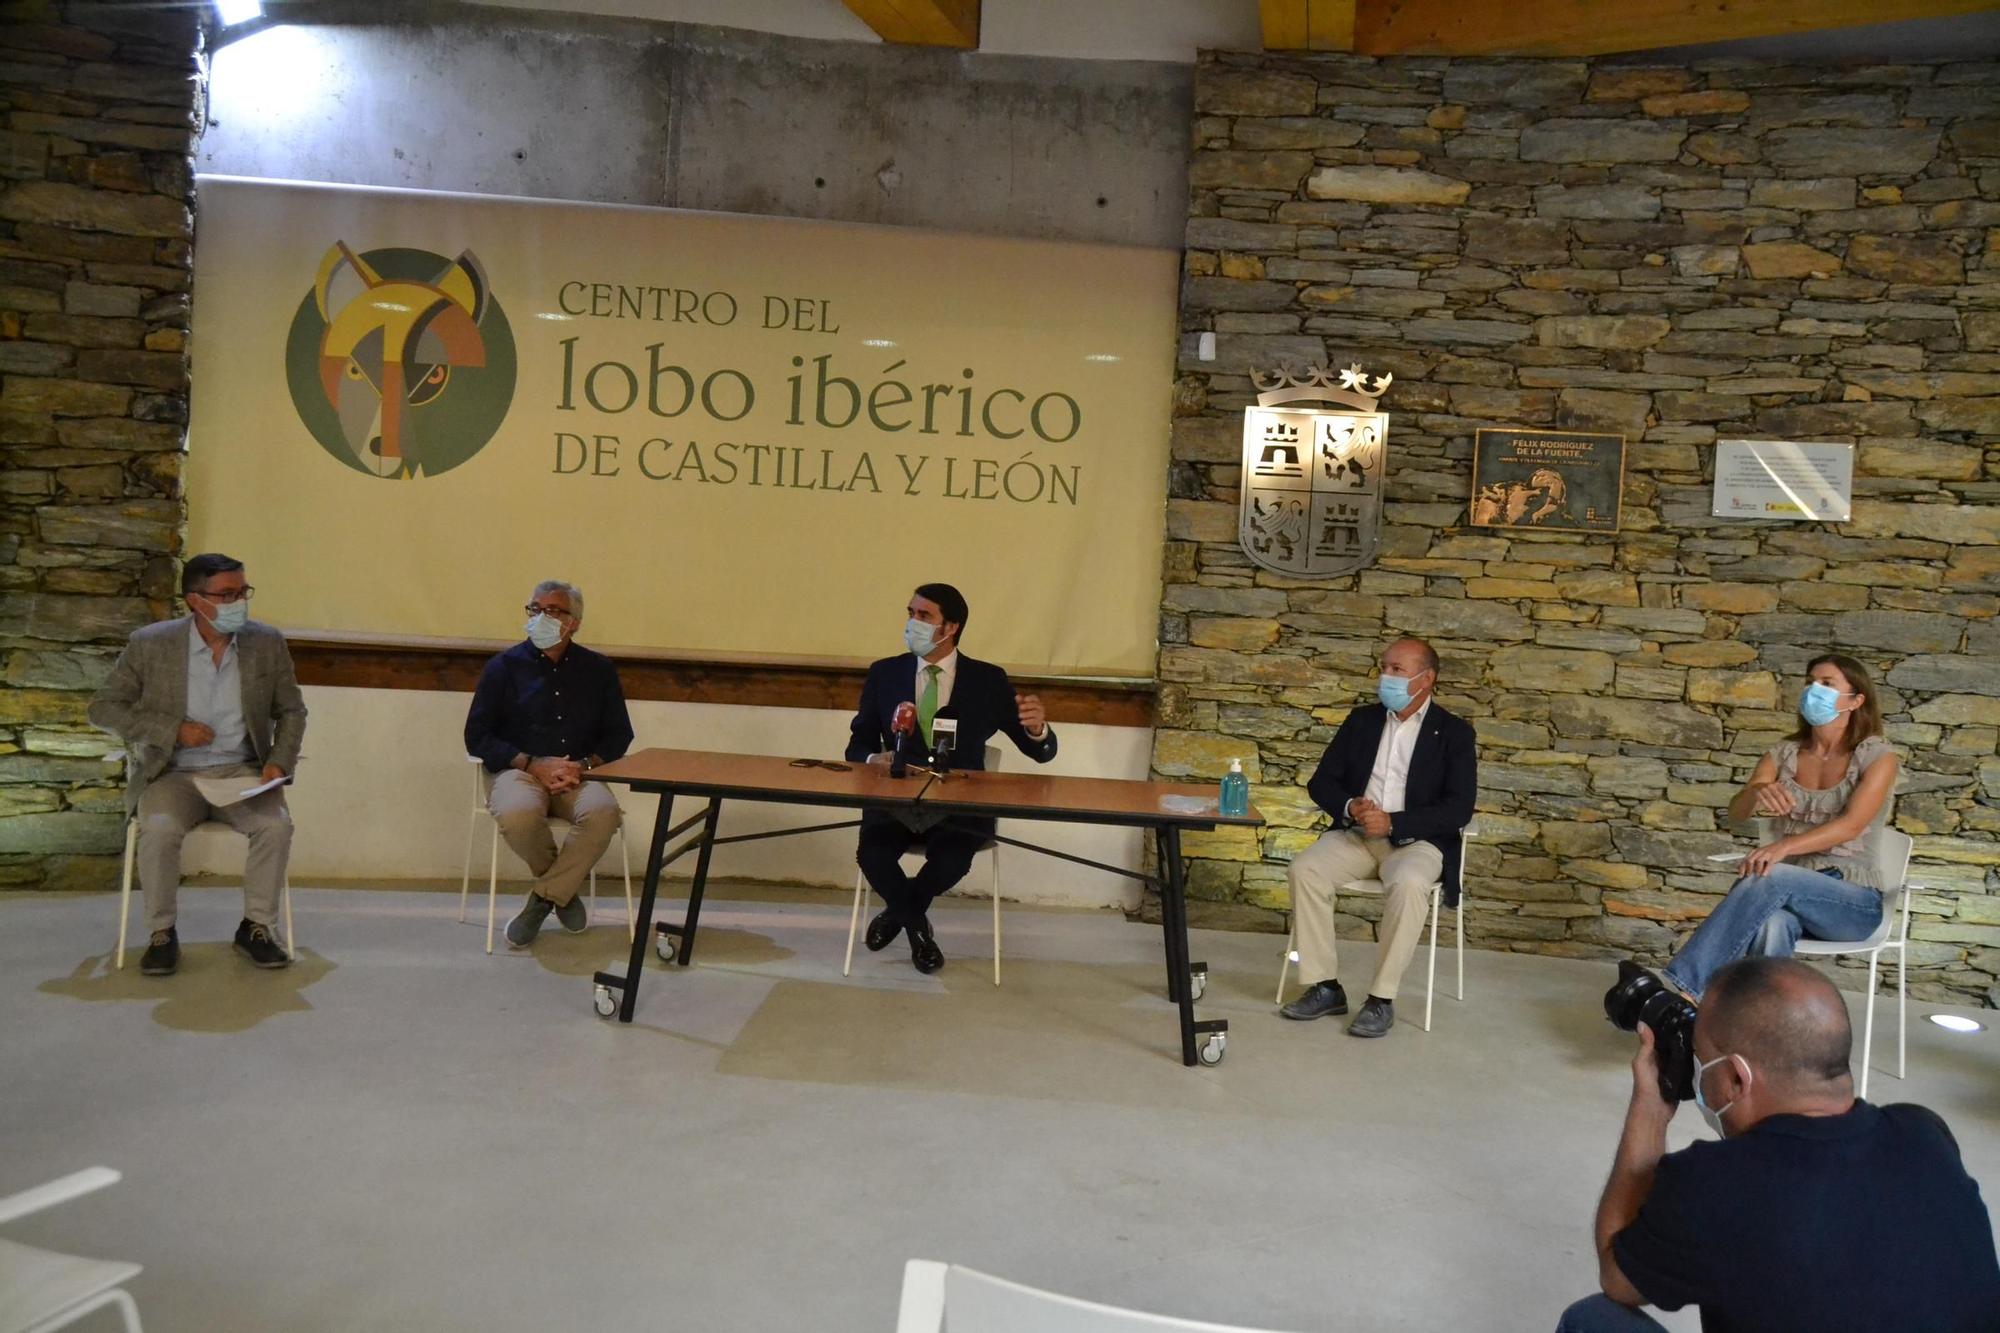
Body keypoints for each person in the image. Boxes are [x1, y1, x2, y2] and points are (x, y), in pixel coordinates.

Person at [1559, 957, 2000, 1332]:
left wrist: (1649, 1109)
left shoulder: (1713, 1184)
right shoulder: (1925, 1135)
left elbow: (1617, 1278)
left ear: (1735, 1077)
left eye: (1700, 1055)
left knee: (1593, 1319)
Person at [88, 552, 308, 975]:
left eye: (243, 591)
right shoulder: (151, 644)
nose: (238, 602)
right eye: (227, 594)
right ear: (194, 599)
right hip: (173, 773)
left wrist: (279, 762)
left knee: (276, 826)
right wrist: (172, 729)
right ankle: (162, 933)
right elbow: (104, 708)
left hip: (242, 773)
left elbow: (293, 711)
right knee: (158, 828)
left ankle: (256, 927)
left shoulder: (266, 643)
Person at [1660, 653, 1898, 1001]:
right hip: (1787, 898)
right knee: (1772, 924)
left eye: (1827, 684)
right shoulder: (1783, 754)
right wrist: (1756, 791)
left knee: (1768, 874)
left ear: (1856, 700)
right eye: (1810, 682)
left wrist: (1781, 847)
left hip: (1852, 905)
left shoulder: (1878, 757)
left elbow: (1851, 825)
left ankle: (1685, 992)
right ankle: (1760, 1028)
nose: (1813, 690)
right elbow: (1737, 813)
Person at [846, 582, 1056, 974]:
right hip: (895, 802)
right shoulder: (884, 674)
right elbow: (856, 745)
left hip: (959, 808)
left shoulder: (987, 681)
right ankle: (918, 930)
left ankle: (900, 914)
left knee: (951, 860)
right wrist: (877, 757)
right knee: (871, 853)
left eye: (924, 616)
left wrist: (1037, 729)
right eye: (910, 613)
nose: (913, 623)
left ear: (951, 627)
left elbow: (1039, 752)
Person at [1279, 635, 1476, 1037]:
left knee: (1408, 883)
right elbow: (1321, 782)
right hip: (1356, 837)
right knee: (1306, 869)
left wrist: (1396, 824)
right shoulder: (1362, 721)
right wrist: (1352, 806)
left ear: (1426, 679)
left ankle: (1381, 999)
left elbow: (1458, 808)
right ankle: (1324, 986)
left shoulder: (1454, 733)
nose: (1385, 676)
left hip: (1418, 842)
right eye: (1384, 667)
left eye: (1396, 670)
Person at [464, 580, 633, 949]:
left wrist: (583, 766)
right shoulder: (502, 667)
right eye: (534, 609)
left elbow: (619, 735)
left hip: (578, 773)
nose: (541, 617)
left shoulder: (599, 670)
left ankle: (542, 900)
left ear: (574, 622)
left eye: (552, 610)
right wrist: (532, 764)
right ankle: (563, 892)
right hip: (518, 771)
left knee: (604, 813)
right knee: (518, 813)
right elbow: (477, 735)